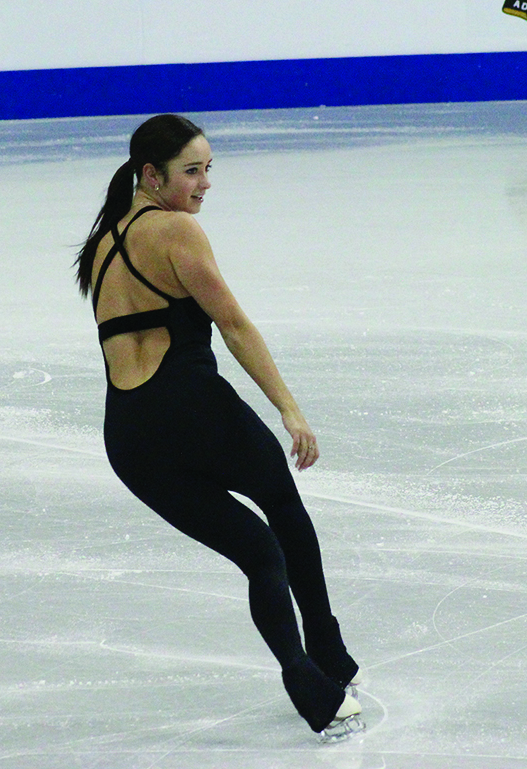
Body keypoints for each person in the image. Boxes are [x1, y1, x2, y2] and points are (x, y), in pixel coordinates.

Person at [74, 114, 364, 739]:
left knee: (258, 551)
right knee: (285, 513)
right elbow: (233, 326)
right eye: (191, 171)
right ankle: (330, 654)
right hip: (192, 412)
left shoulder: (103, 243)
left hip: (128, 438)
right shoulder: (176, 230)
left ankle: (313, 681)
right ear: (151, 176)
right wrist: (289, 408)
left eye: (209, 169)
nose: (205, 184)